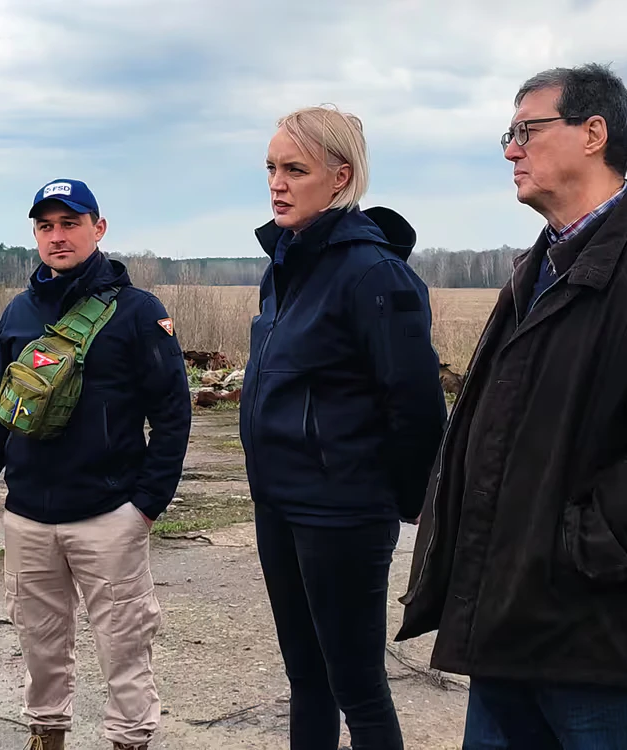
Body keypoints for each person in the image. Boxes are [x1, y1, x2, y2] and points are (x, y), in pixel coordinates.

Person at [396, 63, 627, 749]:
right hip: (510, 624)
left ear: (594, 134)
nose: (510, 149)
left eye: (527, 130)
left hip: (598, 640)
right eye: (510, 132)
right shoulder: (539, 269)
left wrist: (571, 552)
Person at [0, 178, 192, 750]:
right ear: (35, 234)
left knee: (125, 643)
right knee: (39, 644)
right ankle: (46, 736)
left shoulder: (138, 312)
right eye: (46, 226)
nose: (57, 237)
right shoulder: (18, 313)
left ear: (98, 228)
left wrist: (147, 504)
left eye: (70, 223)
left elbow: (173, 413)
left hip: (109, 515)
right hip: (29, 516)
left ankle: (130, 739)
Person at [240, 105, 447, 750]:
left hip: (343, 513)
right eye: (271, 167)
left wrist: (393, 500)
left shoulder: (374, 275)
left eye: (295, 169)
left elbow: (416, 406)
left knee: (356, 684)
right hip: (279, 504)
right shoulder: (286, 267)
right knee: (306, 679)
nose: (277, 182)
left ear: (340, 177)